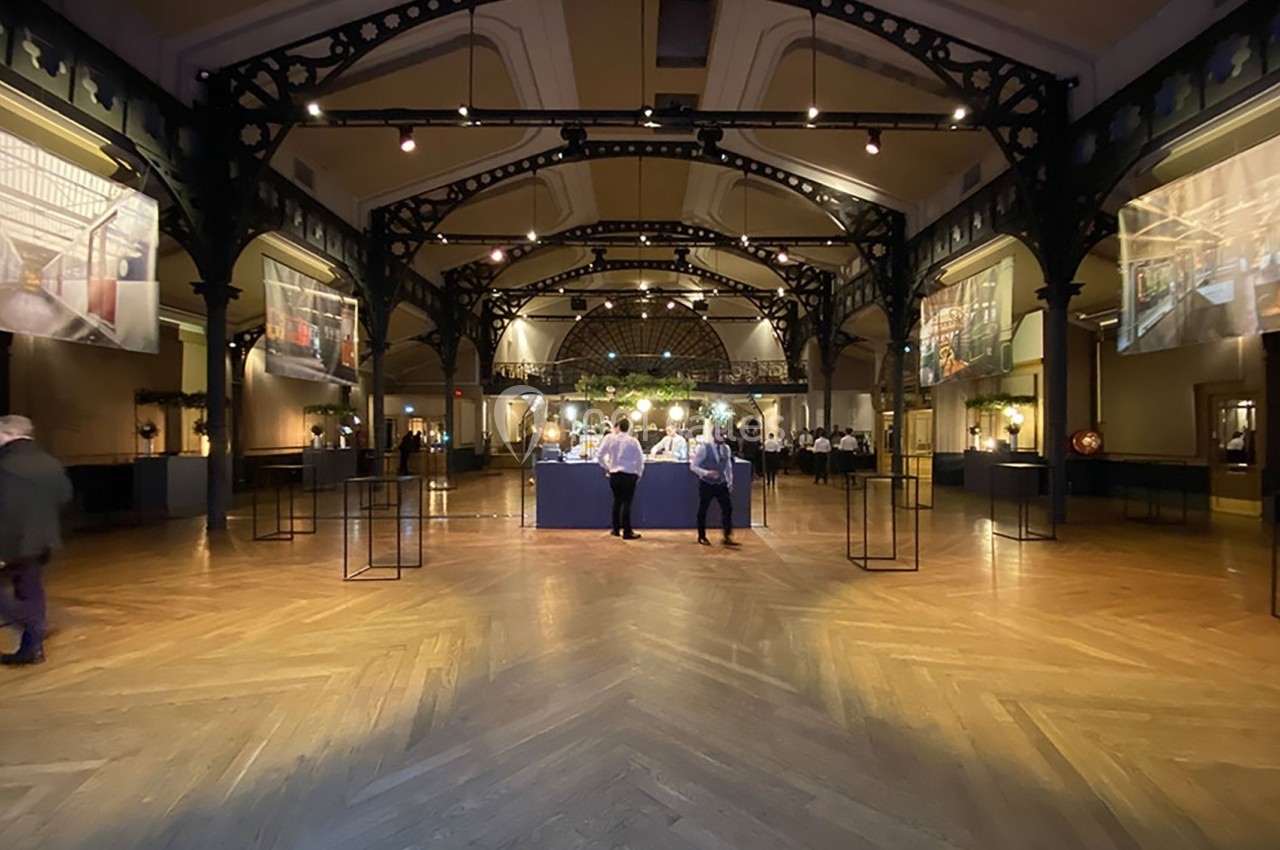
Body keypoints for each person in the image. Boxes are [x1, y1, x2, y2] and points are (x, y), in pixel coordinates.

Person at [0, 416, 72, 665]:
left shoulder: (5, 464)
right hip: (43, 539)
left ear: (8, 433)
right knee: (31, 591)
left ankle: (32, 627)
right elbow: (64, 497)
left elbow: (6, 511)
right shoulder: (50, 462)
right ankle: (32, 647)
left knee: (18, 595)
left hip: (10, 541)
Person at [690, 427, 739, 547]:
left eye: (724, 435)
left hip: (721, 483)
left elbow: (728, 467)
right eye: (721, 434)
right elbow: (693, 466)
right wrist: (706, 473)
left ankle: (727, 536)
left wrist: (729, 482)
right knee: (703, 509)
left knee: (727, 508)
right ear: (714, 435)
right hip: (706, 484)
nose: (723, 437)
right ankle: (701, 536)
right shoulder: (704, 448)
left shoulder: (726, 448)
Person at [597, 418, 644, 540]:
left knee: (617, 501)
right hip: (629, 475)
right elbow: (640, 460)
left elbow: (599, 456)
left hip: (615, 475)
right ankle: (627, 531)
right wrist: (638, 474)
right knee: (627, 503)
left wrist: (608, 467)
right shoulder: (633, 442)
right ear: (629, 428)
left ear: (618, 427)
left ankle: (616, 529)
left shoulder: (609, 439)